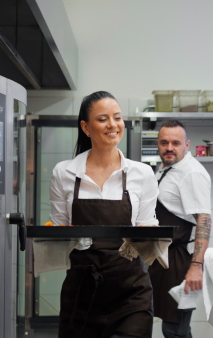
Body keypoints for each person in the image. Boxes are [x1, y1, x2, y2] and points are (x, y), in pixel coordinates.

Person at [49, 91, 159, 338]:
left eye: (117, 117)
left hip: (131, 293)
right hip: (82, 291)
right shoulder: (64, 172)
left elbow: (147, 231)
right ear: (86, 127)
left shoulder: (142, 174)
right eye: (103, 119)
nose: (113, 125)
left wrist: (149, 237)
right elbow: (59, 230)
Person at [148, 120, 212, 338]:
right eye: (164, 142)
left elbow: (203, 219)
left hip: (182, 260)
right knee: (172, 327)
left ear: (187, 145)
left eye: (176, 143)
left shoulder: (191, 173)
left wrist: (196, 266)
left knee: (175, 329)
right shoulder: (167, 167)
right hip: (165, 257)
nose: (169, 148)